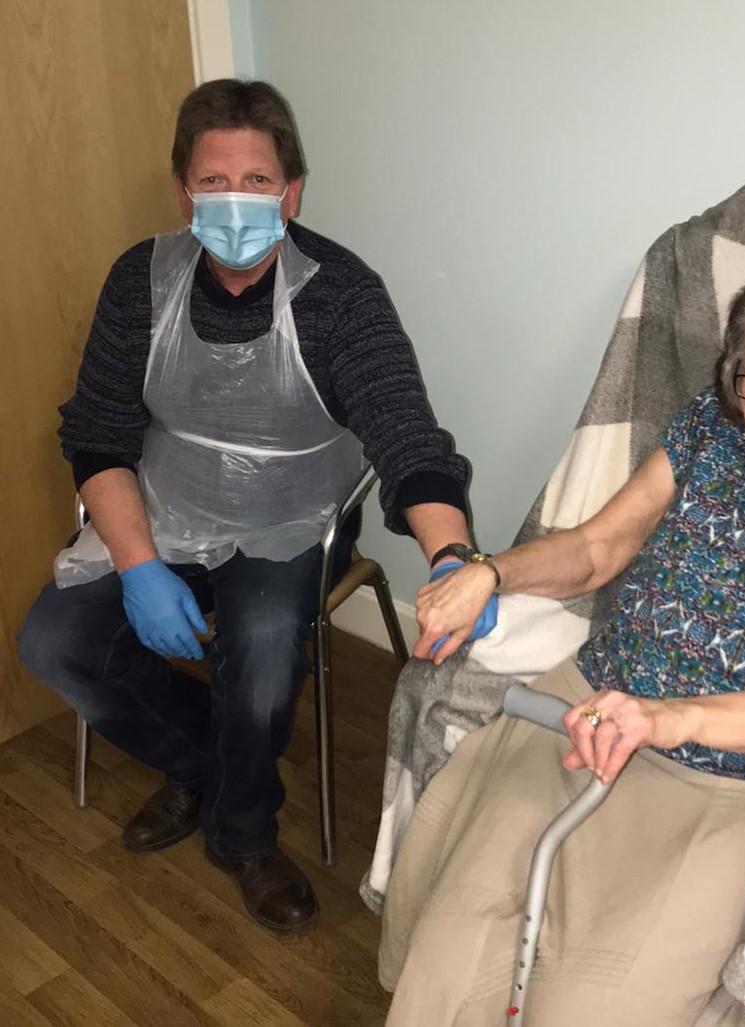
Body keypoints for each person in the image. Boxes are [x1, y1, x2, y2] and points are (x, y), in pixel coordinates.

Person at [377, 257, 745, 1025]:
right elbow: (597, 549)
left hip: (737, 781)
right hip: (582, 714)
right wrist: (490, 572)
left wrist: (672, 718)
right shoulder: (712, 428)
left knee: (591, 1008)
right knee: (449, 971)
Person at [18, 78, 490, 934]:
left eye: (258, 181)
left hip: (289, 516)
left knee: (265, 650)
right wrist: (139, 565)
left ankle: (241, 832)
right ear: (184, 193)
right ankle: (209, 765)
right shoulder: (140, 280)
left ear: (291, 192)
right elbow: (97, 434)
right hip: (167, 504)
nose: (235, 201)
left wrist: (454, 558)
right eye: (214, 181)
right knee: (53, 641)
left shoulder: (341, 295)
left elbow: (409, 441)